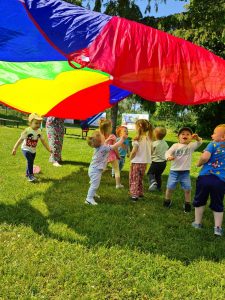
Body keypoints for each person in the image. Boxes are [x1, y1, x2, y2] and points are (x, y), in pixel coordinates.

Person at [192, 124, 225, 236]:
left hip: (205, 177)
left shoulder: (213, 144)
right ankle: (217, 228)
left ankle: (197, 223)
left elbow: (205, 157)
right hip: (220, 181)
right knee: (218, 203)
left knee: (200, 200)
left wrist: (199, 163)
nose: (212, 135)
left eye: (214, 133)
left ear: (223, 137)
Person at [164, 127, 202, 212]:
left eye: (188, 134)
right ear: (178, 137)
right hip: (174, 171)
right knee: (170, 187)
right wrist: (168, 157)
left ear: (191, 137)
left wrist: (197, 138)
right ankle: (167, 200)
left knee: (188, 189)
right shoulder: (175, 146)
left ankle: (187, 204)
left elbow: (199, 142)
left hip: (185, 172)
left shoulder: (191, 146)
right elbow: (167, 152)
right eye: (183, 134)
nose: (185, 135)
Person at [86, 130, 127, 205]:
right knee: (95, 185)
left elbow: (103, 144)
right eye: (103, 137)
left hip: (93, 169)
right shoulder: (104, 148)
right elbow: (115, 146)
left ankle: (93, 194)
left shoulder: (99, 147)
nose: (105, 137)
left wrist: (107, 140)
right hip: (95, 171)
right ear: (100, 141)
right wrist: (122, 139)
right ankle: (89, 199)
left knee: (94, 184)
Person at [12, 113, 51, 182]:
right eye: (36, 123)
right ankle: (30, 176)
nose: (38, 125)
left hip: (33, 150)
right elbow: (20, 140)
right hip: (25, 149)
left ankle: (27, 173)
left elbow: (43, 141)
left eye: (39, 123)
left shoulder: (39, 132)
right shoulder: (27, 131)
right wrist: (14, 148)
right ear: (30, 123)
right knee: (30, 161)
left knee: (30, 162)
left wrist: (49, 149)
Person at [129, 119, 153, 201]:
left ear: (139, 127)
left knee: (134, 178)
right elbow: (152, 150)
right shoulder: (149, 139)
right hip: (144, 163)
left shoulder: (137, 139)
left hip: (136, 162)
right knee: (140, 178)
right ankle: (140, 192)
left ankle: (134, 195)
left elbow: (134, 151)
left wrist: (130, 157)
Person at [99, 119, 124, 188]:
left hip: (104, 156)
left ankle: (94, 179)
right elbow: (115, 148)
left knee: (102, 169)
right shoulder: (112, 136)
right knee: (116, 170)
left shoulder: (100, 136)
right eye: (111, 126)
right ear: (109, 128)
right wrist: (118, 155)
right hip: (112, 156)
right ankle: (118, 184)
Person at [148, 127, 169, 192]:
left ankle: (153, 182)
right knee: (158, 175)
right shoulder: (165, 143)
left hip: (156, 162)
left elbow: (150, 152)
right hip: (163, 163)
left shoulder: (154, 144)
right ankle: (159, 187)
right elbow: (167, 150)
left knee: (150, 173)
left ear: (155, 134)